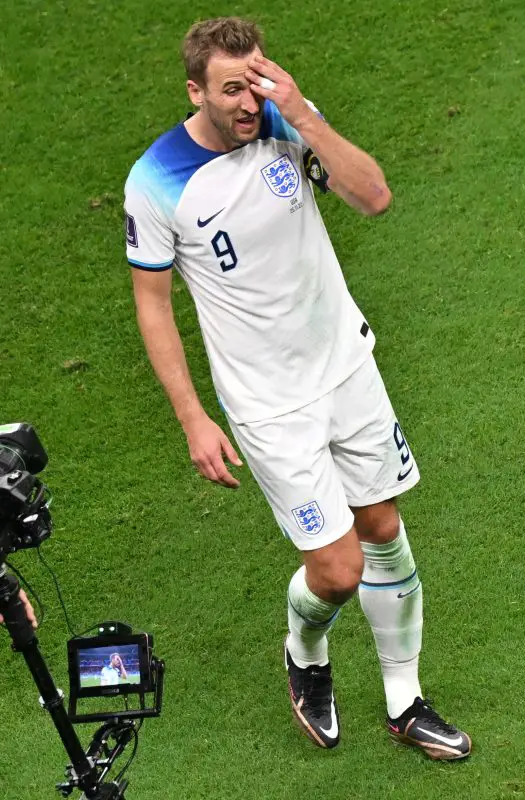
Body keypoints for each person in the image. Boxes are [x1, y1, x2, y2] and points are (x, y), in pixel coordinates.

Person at [122, 17, 470, 759]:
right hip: (270, 405)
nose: (248, 102)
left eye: (255, 82)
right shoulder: (156, 181)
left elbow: (374, 197)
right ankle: (304, 649)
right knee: (338, 571)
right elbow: (153, 304)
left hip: (347, 367)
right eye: (230, 90)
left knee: (383, 529)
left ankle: (405, 701)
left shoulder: (285, 122)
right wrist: (192, 418)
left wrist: (302, 111)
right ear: (195, 91)